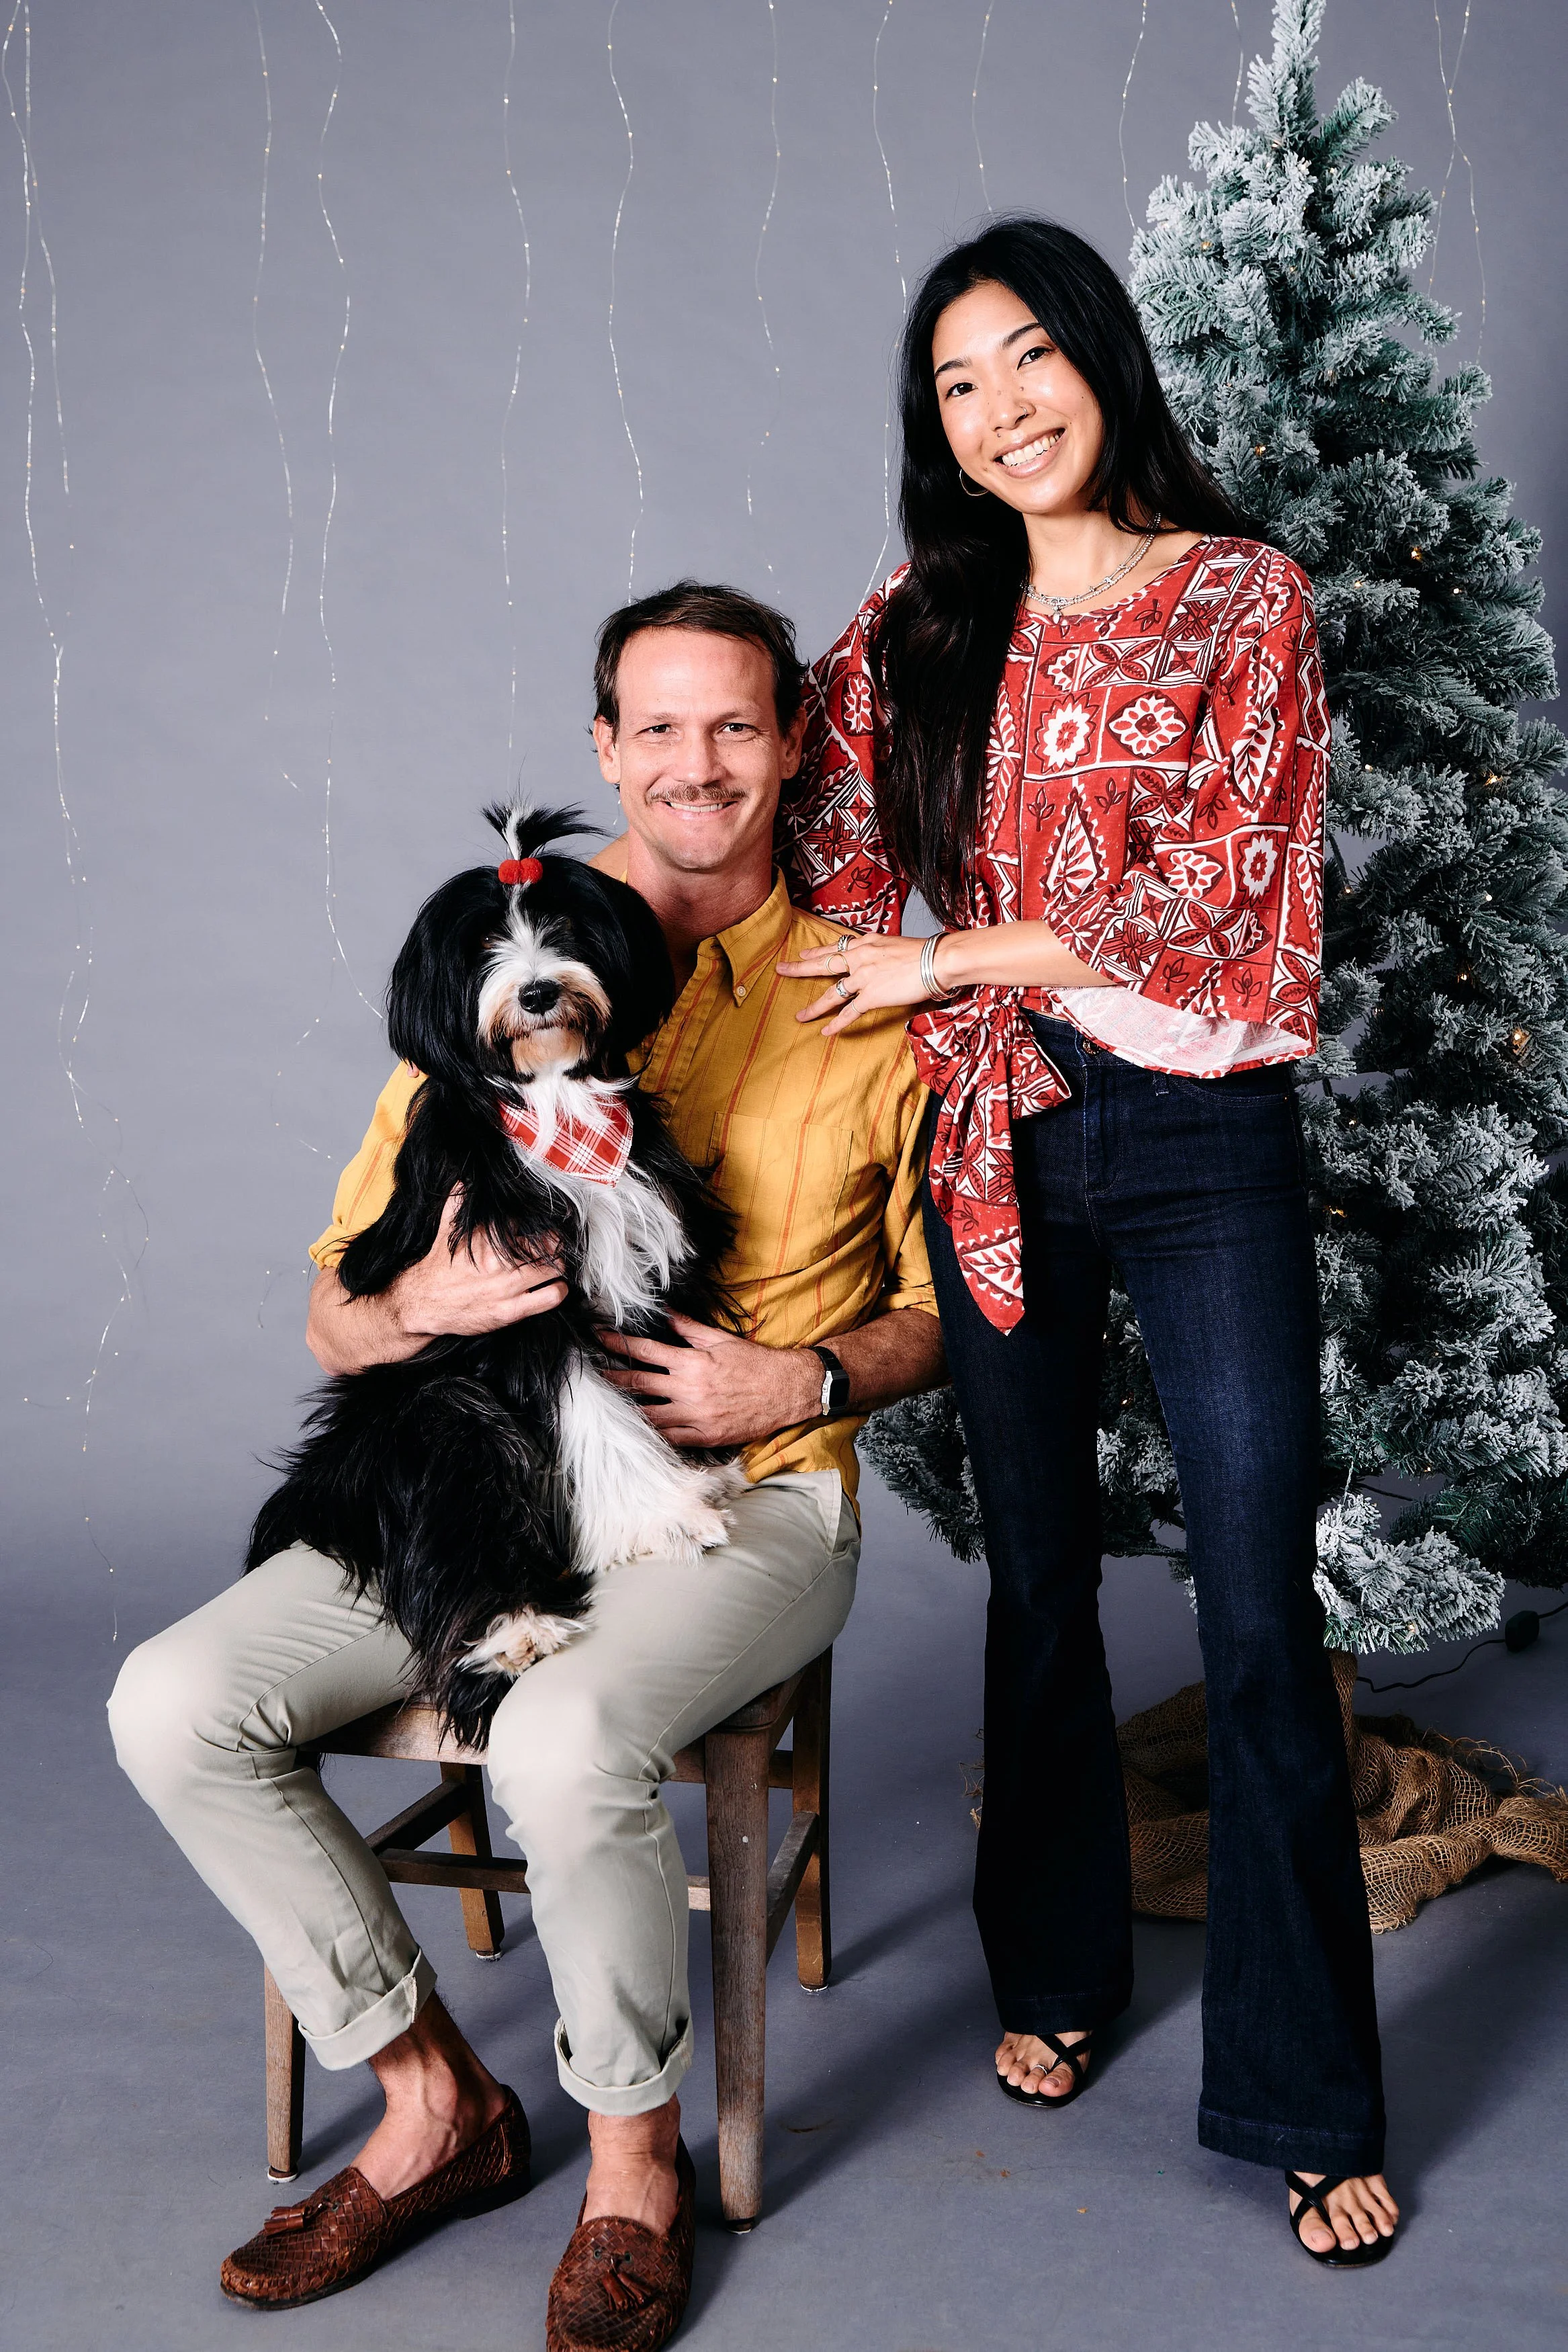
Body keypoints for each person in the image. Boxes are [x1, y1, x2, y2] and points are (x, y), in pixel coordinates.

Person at [108, 580, 945, 2347]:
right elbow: (338, 1320)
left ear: (791, 741)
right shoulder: (504, 971)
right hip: (470, 1476)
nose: (697, 762)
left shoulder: (880, 993)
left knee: (561, 1732)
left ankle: (629, 2158)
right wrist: (422, 1295)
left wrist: (796, 1365)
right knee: (171, 1698)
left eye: (736, 723)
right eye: (658, 726)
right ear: (604, 747)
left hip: (749, 1494)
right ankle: (432, 2101)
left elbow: (961, 1312)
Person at [775, 216, 1399, 2268]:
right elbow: (829, 839)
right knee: (1038, 1581)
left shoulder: (1244, 596)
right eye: (954, 383)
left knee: (1249, 1595)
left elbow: (1240, 902)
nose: (999, 408)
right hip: (992, 1124)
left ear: (1104, 360)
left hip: (1199, 1130)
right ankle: (1053, 1966)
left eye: (1028, 358)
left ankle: (1307, 2090)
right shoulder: (917, 621)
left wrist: (956, 944)